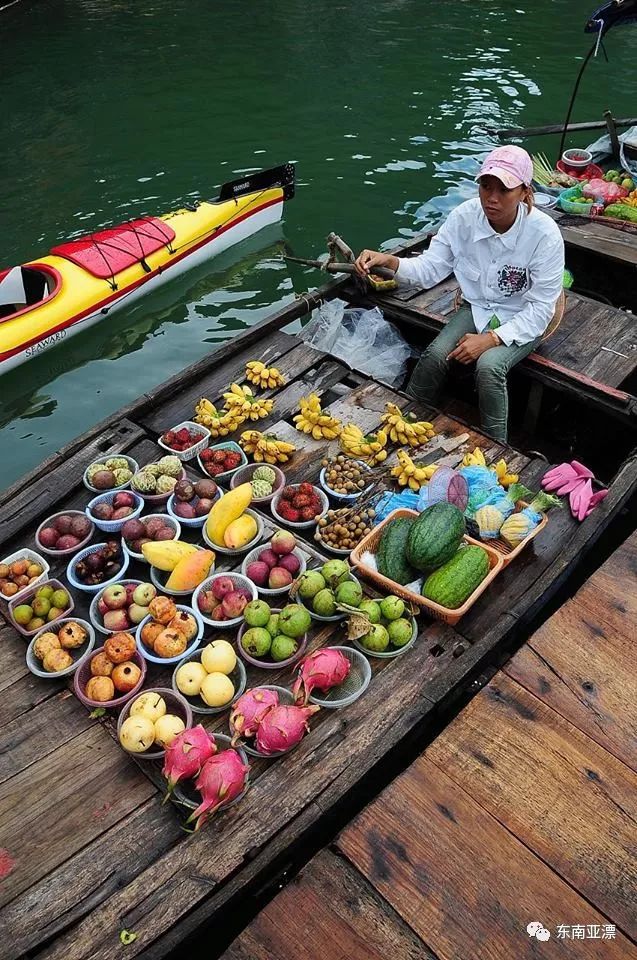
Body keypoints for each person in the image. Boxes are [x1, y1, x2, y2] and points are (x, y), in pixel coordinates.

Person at [354, 145, 565, 442]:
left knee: (489, 367)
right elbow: (430, 268)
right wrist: (391, 261)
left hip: (525, 315)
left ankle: (496, 448)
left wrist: (491, 339)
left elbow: (541, 309)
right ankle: (400, 423)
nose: (491, 198)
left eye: (503, 190)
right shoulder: (463, 217)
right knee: (435, 356)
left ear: (524, 193)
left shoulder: (545, 235)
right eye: (485, 186)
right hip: (478, 306)